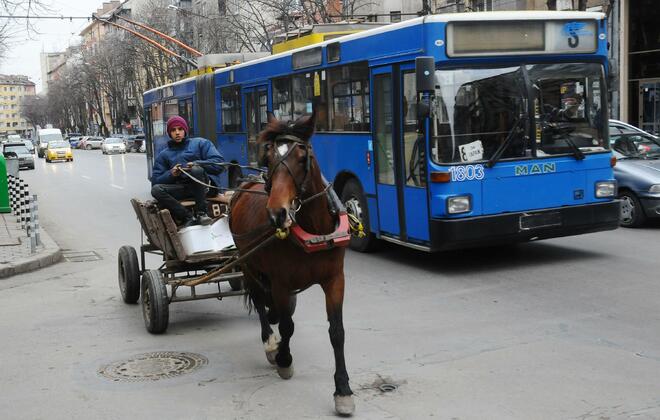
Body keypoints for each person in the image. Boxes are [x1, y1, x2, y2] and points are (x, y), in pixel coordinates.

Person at [151, 116, 224, 228]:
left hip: (205, 187)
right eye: (173, 130)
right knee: (156, 190)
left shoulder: (201, 143)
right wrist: (171, 174)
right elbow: (155, 181)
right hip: (185, 189)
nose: (177, 133)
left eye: (180, 129)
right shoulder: (164, 155)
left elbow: (219, 164)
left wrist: (198, 163)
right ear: (169, 133)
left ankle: (202, 213)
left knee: (196, 169)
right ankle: (188, 217)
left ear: (185, 130)